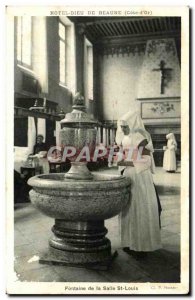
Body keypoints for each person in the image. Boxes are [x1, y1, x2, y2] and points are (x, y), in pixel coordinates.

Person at [116, 111, 161, 259]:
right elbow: (123, 155)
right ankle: (129, 242)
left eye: (125, 126)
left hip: (140, 176)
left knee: (140, 208)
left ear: (133, 124)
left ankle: (142, 245)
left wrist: (126, 162)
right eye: (121, 126)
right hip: (128, 175)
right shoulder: (124, 138)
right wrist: (120, 160)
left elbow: (146, 160)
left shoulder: (139, 138)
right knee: (129, 209)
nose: (122, 129)